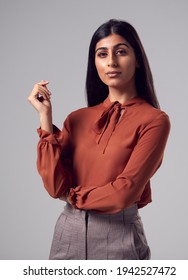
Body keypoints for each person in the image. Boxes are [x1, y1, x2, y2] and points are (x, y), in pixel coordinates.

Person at [28, 19, 170, 260]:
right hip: (68, 234)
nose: (111, 62)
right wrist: (45, 118)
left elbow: (125, 191)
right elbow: (55, 186)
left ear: (137, 60)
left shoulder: (154, 120)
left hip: (119, 237)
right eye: (102, 54)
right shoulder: (77, 119)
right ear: (94, 63)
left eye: (121, 52)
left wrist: (73, 197)